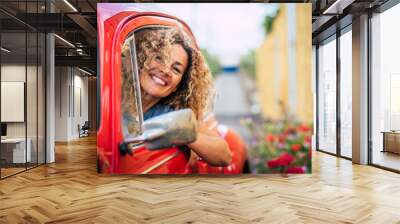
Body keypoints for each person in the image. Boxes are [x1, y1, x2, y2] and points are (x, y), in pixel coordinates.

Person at [121, 27, 232, 167]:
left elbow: (225, 155)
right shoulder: (112, 97)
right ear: (143, 60)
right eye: (159, 58)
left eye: (176, 69)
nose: (166, 70)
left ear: (178, 86)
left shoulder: (170, 114)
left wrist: (184, 135)